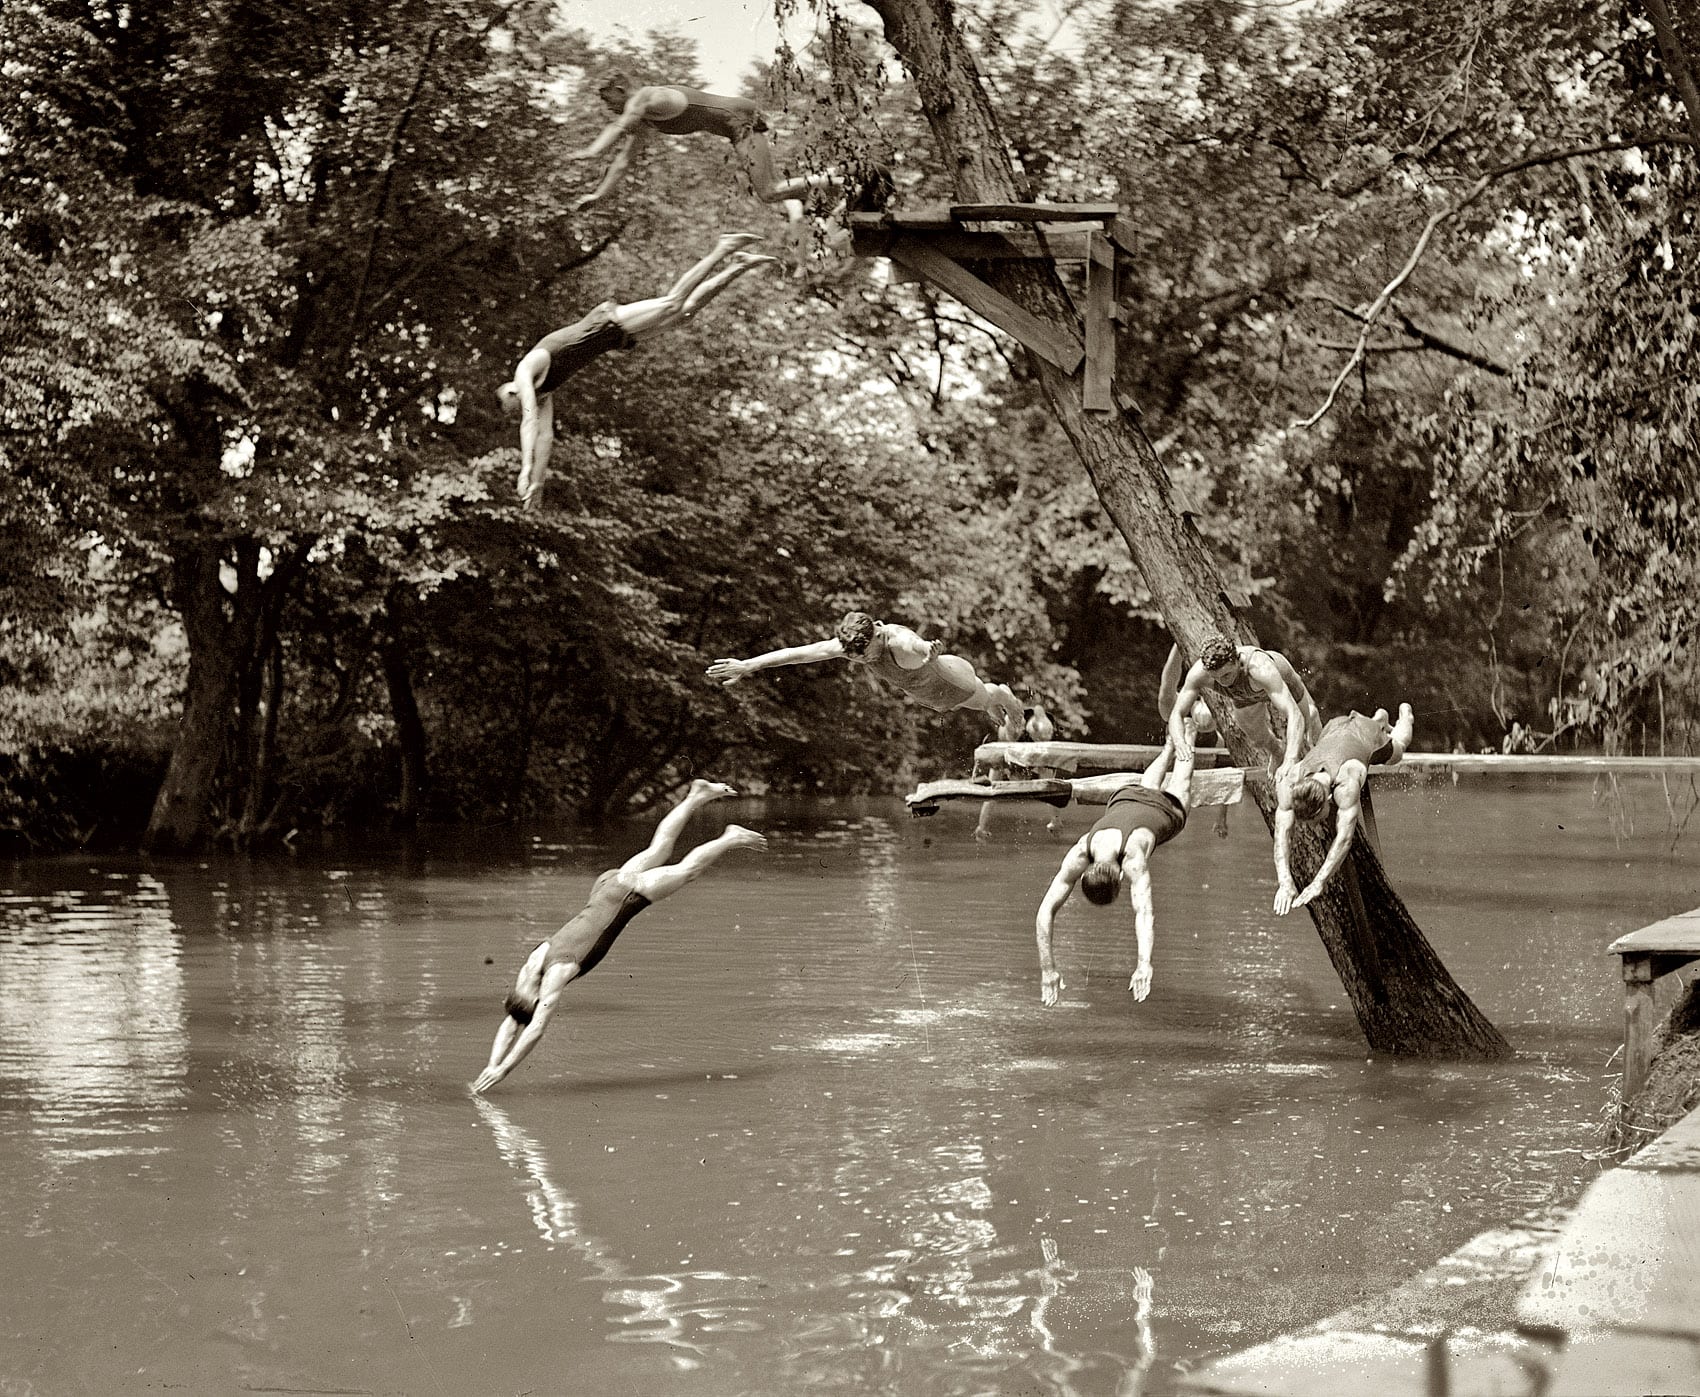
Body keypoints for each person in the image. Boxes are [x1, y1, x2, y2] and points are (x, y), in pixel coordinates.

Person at [472, 780, 766, 1093]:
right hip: (605, 887)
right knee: (659, 849)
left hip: (627, 895)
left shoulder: (555, 975)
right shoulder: (530, 969)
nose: (538, 1007)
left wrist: (504, 1069)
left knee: (687, 870)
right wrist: (491, 1064)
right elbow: (513, 1022)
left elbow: (535, 1029)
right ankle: (697, 796)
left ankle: (729, 837)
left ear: (531, 997)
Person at [498, 233, 776, 507]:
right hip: (612, 339)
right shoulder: (544, 392)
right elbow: (545, 437)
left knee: (672, 302)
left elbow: (529, 423)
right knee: (684, 316)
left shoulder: (525, 371)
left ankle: (722, 248)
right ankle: (737, 265)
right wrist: (537, 481)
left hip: (605, 323)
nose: (524, 405)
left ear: (511, 392)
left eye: (516, 404)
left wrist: (524, 467)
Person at [1033, 720, 1198, 1007]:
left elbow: (1144, 912)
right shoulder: (1083, 849)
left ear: (1120, 879)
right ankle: (1172, 744)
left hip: (1167, 811)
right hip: (1125, 796)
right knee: (1148, 786)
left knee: (1181, 784)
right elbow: (1044, 911)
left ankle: (1189, 737)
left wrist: (1145, 964)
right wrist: (1046, 969)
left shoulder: (1133, 860)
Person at [707, 612, 1029, 740]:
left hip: (950, 680)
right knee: (972, 706)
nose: (861, 660)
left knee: (986, 697)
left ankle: (1006, 699)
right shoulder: (853, 644)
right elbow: (798, 654)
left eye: (865, 654)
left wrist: (927, 650)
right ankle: (994, 701)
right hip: (929, 694)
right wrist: (748, 665)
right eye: (854, 656)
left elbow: (915, 644)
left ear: (876, 633)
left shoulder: (897, 641)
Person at [570, 73, 839, 214]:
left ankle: (842, 178)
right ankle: (837, 188)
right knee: (774, 192)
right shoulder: (644, 120)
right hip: (738, 124)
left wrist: (592, 150)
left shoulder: (643, 97)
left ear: (620, 90)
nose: (607, 108)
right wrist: (599, 195)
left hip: (738, 119)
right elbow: (623, 162)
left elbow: (619, 125)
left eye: (608, 100)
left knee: (769, 191)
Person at [1272, 703, 1414, 914]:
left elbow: (1344, 839)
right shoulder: (1292, 780)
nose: (1311, 826)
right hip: (1335, 727)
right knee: (1342, 733)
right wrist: (1284, 881)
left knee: (1399, 747)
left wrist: (1319, 881)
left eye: (1314, 819)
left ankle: (1405, 716)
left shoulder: (1346, 783)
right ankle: (1379, 718)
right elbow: (1282, 832)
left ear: (1329, 798)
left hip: (1368, 736)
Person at [1165, 636, 1322, 780]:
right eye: (1215, 678)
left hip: (1286, 686)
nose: (1221, 682)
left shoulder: (1260, 668)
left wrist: (1290, 760)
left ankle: (1320, 746)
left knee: (1307, 730)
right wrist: (1180, 743)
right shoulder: (1199, 673)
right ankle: (1277, 751)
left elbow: (1294, 714)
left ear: (1236, 661)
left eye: (1226, 675)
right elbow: (1176, 714)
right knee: (1256, 736)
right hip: (1245, 697)